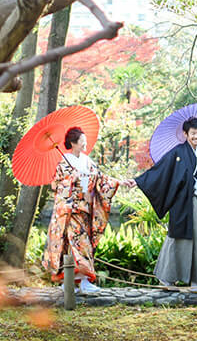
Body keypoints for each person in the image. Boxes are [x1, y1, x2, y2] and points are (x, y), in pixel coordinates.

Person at [132, 117, 197, 292]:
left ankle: (196, 281)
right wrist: (138, 181)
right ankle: (167, 278)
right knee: (177, 236)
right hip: (181, 203)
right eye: (193, 133)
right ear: (185, 134)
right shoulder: (177, 152)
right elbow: (160, 171)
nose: (196, 136)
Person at [41, 126, 129, 294]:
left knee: (82, 245)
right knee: (75, 246)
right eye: (82, 141)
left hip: (85, 210)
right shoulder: (63, 163)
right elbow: (56, 186)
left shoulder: (87, 161)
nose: (85, 143)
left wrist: (119, 182)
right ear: (73, 143)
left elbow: (101, 179)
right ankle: (76, 282)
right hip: (69, 211)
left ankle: (80, 283)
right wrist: (70, 180)